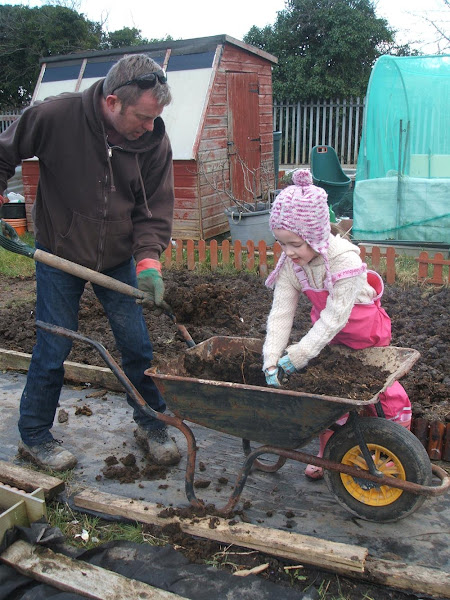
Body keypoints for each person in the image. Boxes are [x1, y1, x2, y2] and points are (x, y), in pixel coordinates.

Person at [0, 54, 181, 470]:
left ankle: (151, 422)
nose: (150, 126)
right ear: (113, 101)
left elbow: (154, 209)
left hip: (117, 257)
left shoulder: (152, 142)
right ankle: (34, 435)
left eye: (156, 117)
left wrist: (149, 260)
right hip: (59, 254)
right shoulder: (55, 116)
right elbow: (2, 153)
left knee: (137, 345)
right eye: (143, 116)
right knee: (54, 344)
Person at [263, 169, 411, 480]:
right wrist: (271, 360)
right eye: (281, 243)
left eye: (294, 243)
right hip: (328, 338)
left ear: (316, 236)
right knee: (331, 399)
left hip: (363, 332)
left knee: (376, 390)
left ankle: (397, 446)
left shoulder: (345, 260)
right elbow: (281, 314)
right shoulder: (292, 265)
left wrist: (300, 355)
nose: (288, 252)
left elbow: (336, 316)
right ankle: (329, 453)